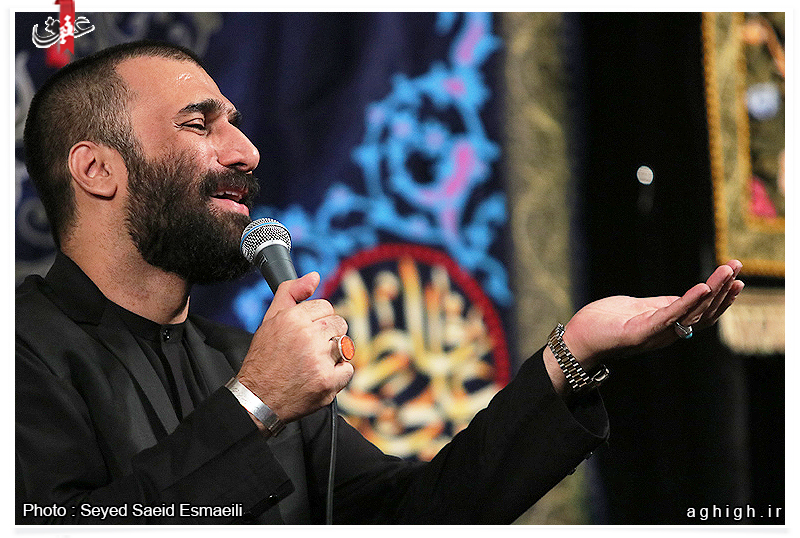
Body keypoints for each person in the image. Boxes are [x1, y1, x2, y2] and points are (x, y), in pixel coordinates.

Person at [15, 40, 744, 524]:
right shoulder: (23, 353)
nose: (246, 150)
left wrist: (572, 355)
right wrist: (256, 404)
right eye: (199, 125)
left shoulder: (234, 358)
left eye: (234, 121)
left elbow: (414, 516)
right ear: (97, 169)